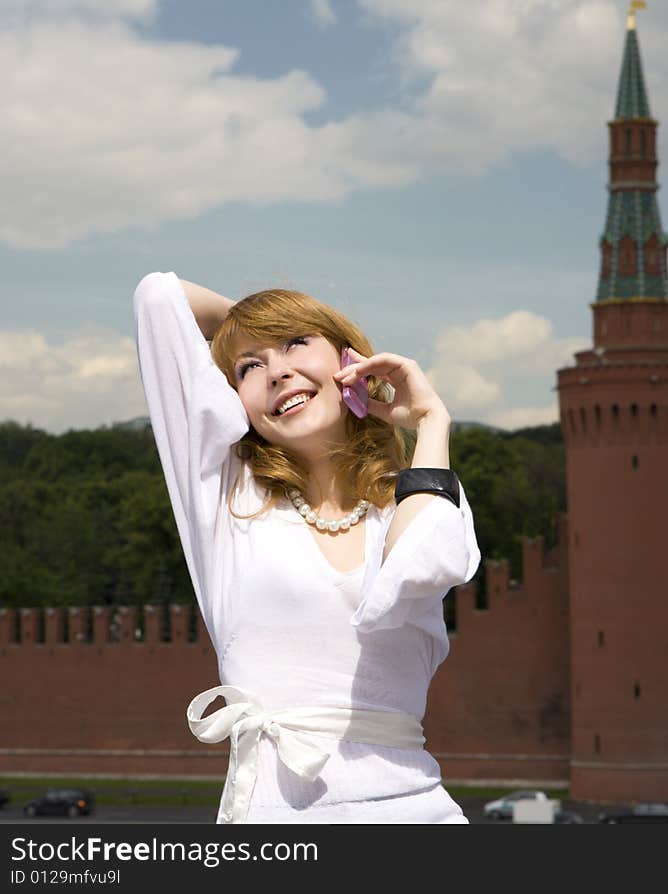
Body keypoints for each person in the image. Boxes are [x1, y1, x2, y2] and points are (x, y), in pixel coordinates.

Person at [133, 271, 480, 824]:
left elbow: (419, 570)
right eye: (250, 368)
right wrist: (247, 330)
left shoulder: (410, 500)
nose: (276, 371)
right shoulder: (224, 497)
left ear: (348, 360)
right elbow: (158, 297)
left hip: (417, 811)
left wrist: (430, 422)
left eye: (297, 343)